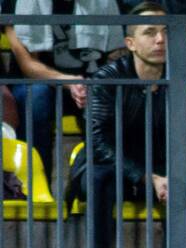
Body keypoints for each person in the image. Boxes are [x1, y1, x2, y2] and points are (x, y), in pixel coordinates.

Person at [68, 2, 169, 248]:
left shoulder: (180, 79)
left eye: (166, 31)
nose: (161, 39)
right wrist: (145, 176)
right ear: (131, 43)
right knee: (99, 180)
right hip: (111, 165)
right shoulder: (107, 78)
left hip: (160, 166)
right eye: (150, 32)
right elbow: (98, 141)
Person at [8, 0, 126, 180]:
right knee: (36, 98)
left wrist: (99, 83)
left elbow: (118, 54)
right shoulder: (18, 2)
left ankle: (98, 185)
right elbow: (28, 65)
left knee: (115, 98)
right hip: (40, 83)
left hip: (92, 83)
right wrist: (69, 82)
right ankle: (36, 186)